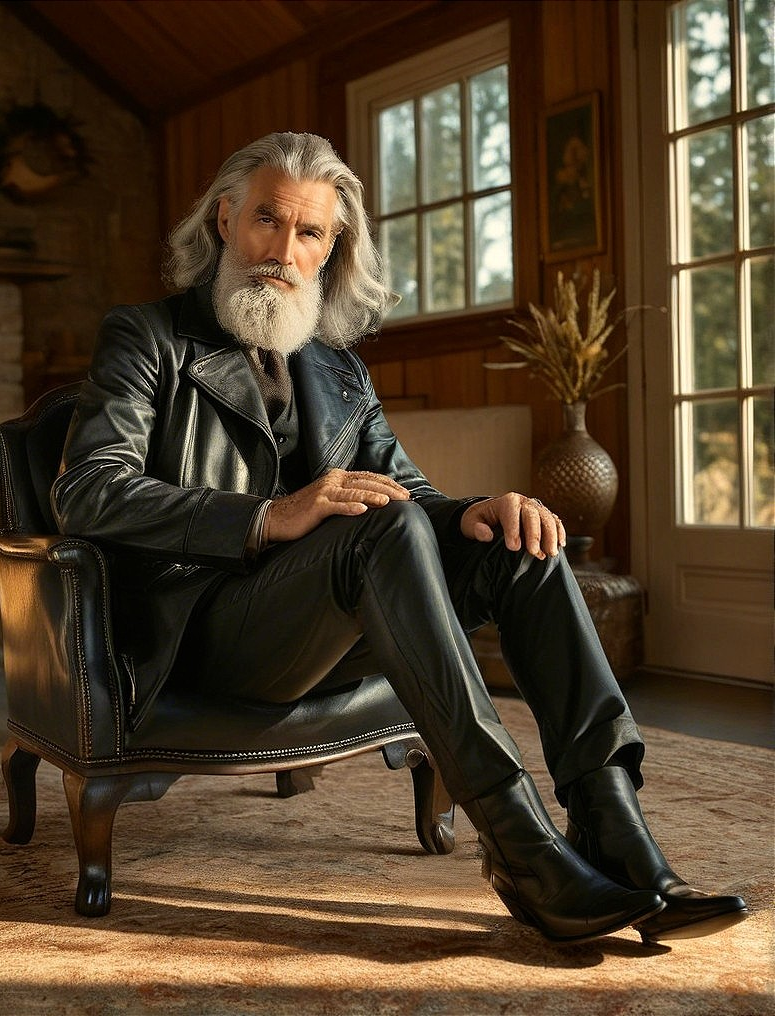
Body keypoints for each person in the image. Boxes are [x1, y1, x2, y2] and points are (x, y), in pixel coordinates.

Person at [52, 132, 747, 945]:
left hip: (332, 619)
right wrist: (269, 516)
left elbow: (403, 490)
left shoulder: (336, 363)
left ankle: (618, 833)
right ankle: (522, 848)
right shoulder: (146, 338)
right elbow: (86, 489)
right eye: (266, 221)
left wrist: (477, 512)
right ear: (223, 220)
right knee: (376, 531)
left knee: (520, 545)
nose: (282, 250)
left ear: (331, 246)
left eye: (308, 233)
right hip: (205, 628)